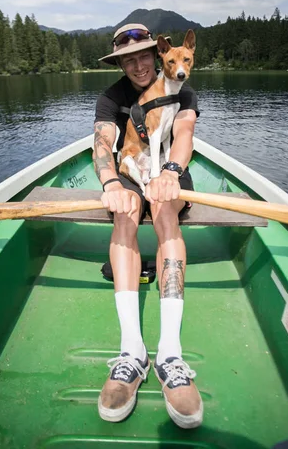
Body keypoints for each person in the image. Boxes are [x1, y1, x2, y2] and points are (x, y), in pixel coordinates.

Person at [93, 23, 203, 429]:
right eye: (129, 59)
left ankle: (169, 353)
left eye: (144, 56)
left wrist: (171, 172)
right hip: (129, 169)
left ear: (155, 56)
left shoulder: (182, 89)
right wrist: (109, 182)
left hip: (172, 169)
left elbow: (184, 133)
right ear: (120, 63)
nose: (139, 65)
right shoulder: (111, 97)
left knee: (163, 210)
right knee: (125, 215)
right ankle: (132, 352)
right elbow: (103, 143)